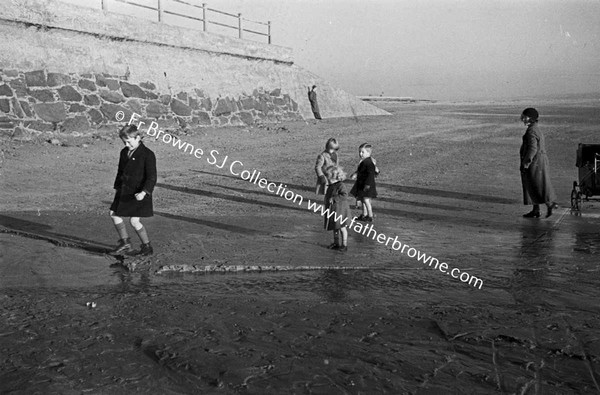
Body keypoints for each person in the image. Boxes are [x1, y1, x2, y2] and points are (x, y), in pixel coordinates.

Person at [109, 124, 157, 255]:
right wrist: (117, 187)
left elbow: (152, 177)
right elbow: (120, 171)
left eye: (129, 142)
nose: (126, 145)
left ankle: (147, 246)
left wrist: (144, 192)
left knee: (134, 221)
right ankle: (125, 242)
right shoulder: (124, 152)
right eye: (124, 142)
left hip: (139, 192)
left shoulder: (148, 154)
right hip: (124, 190)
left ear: (138, 138)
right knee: (113, 214)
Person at [519, 107, 558, 218]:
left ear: (531, 118)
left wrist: (526, 163)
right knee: (533, 185)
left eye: (525, 117)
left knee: (538, 185)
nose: (522, 119)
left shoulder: (532, 131)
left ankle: (550, 205)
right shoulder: (535, 129)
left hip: (535, 163)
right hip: (539, 161)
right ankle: (536, 209)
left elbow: (532, 149)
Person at [323, 165, 352, 251]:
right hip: (333, 210)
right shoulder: (330, 186)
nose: (327, 179)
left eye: (327, 177)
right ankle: (336, 243)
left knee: (342, 228)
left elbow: (345, 195)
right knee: (335, 227)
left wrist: (335, 198)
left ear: (333, 177)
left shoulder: (340, 185)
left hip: (341, 210)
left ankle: (344, 244)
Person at [350, 143, 378, 222]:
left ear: (368, 153)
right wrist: (355, 174)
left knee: (366, 200)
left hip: (367, 185)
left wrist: (368, 184)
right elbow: (361, 171)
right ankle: (364, 214)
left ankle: (370, 215)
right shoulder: (364, 161)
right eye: (359, 152)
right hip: (363, 184)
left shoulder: (369, 163)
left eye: (363, 152)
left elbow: (371, 174)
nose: (360, 154)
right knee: (363, 200)